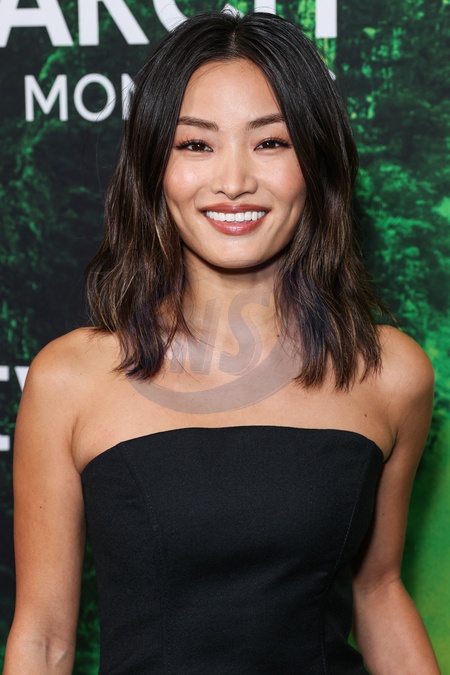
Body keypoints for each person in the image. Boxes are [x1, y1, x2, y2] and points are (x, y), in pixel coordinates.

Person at [4, 10, 440, 674]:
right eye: (196, 145)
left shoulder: (390, 372)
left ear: (315, 161)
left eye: (271, 142)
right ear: (154, 166)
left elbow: (378, 590)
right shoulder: (69, 380)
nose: (233, 180)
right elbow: (43, 638)